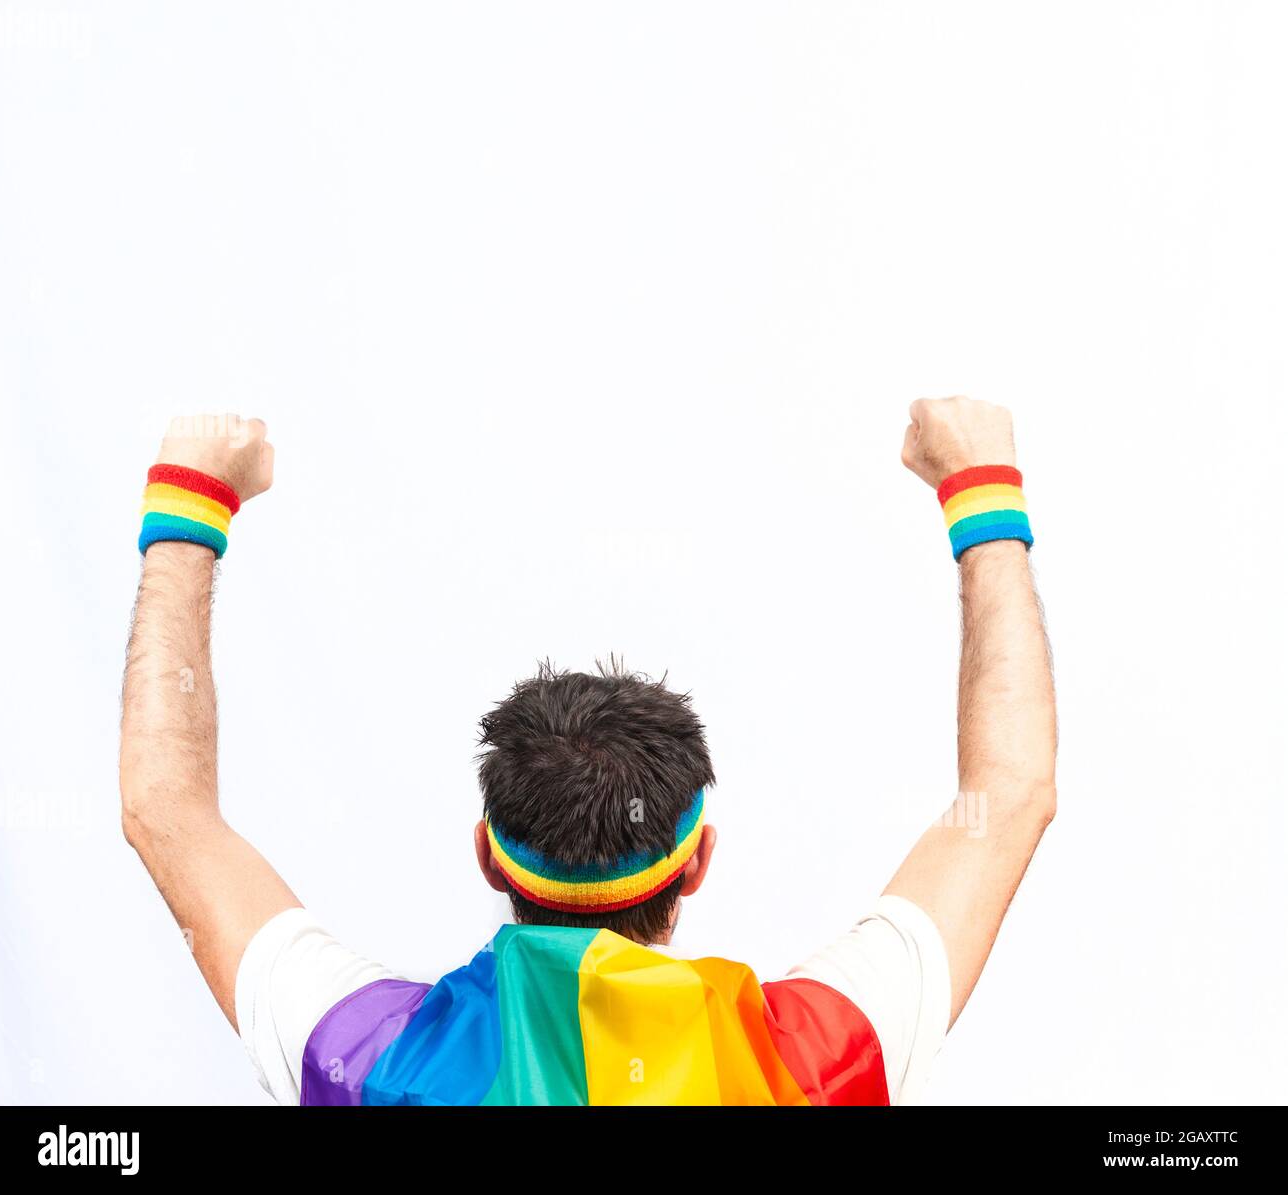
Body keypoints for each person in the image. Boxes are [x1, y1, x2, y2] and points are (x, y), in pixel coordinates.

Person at [120, 398, 1056, 1105]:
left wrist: (192, 492)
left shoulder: (378, 1059)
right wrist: (981, 485)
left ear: (488, 851)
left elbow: (168, 814)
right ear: (696, 864)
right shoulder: (812, 1060)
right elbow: (1009, 793)